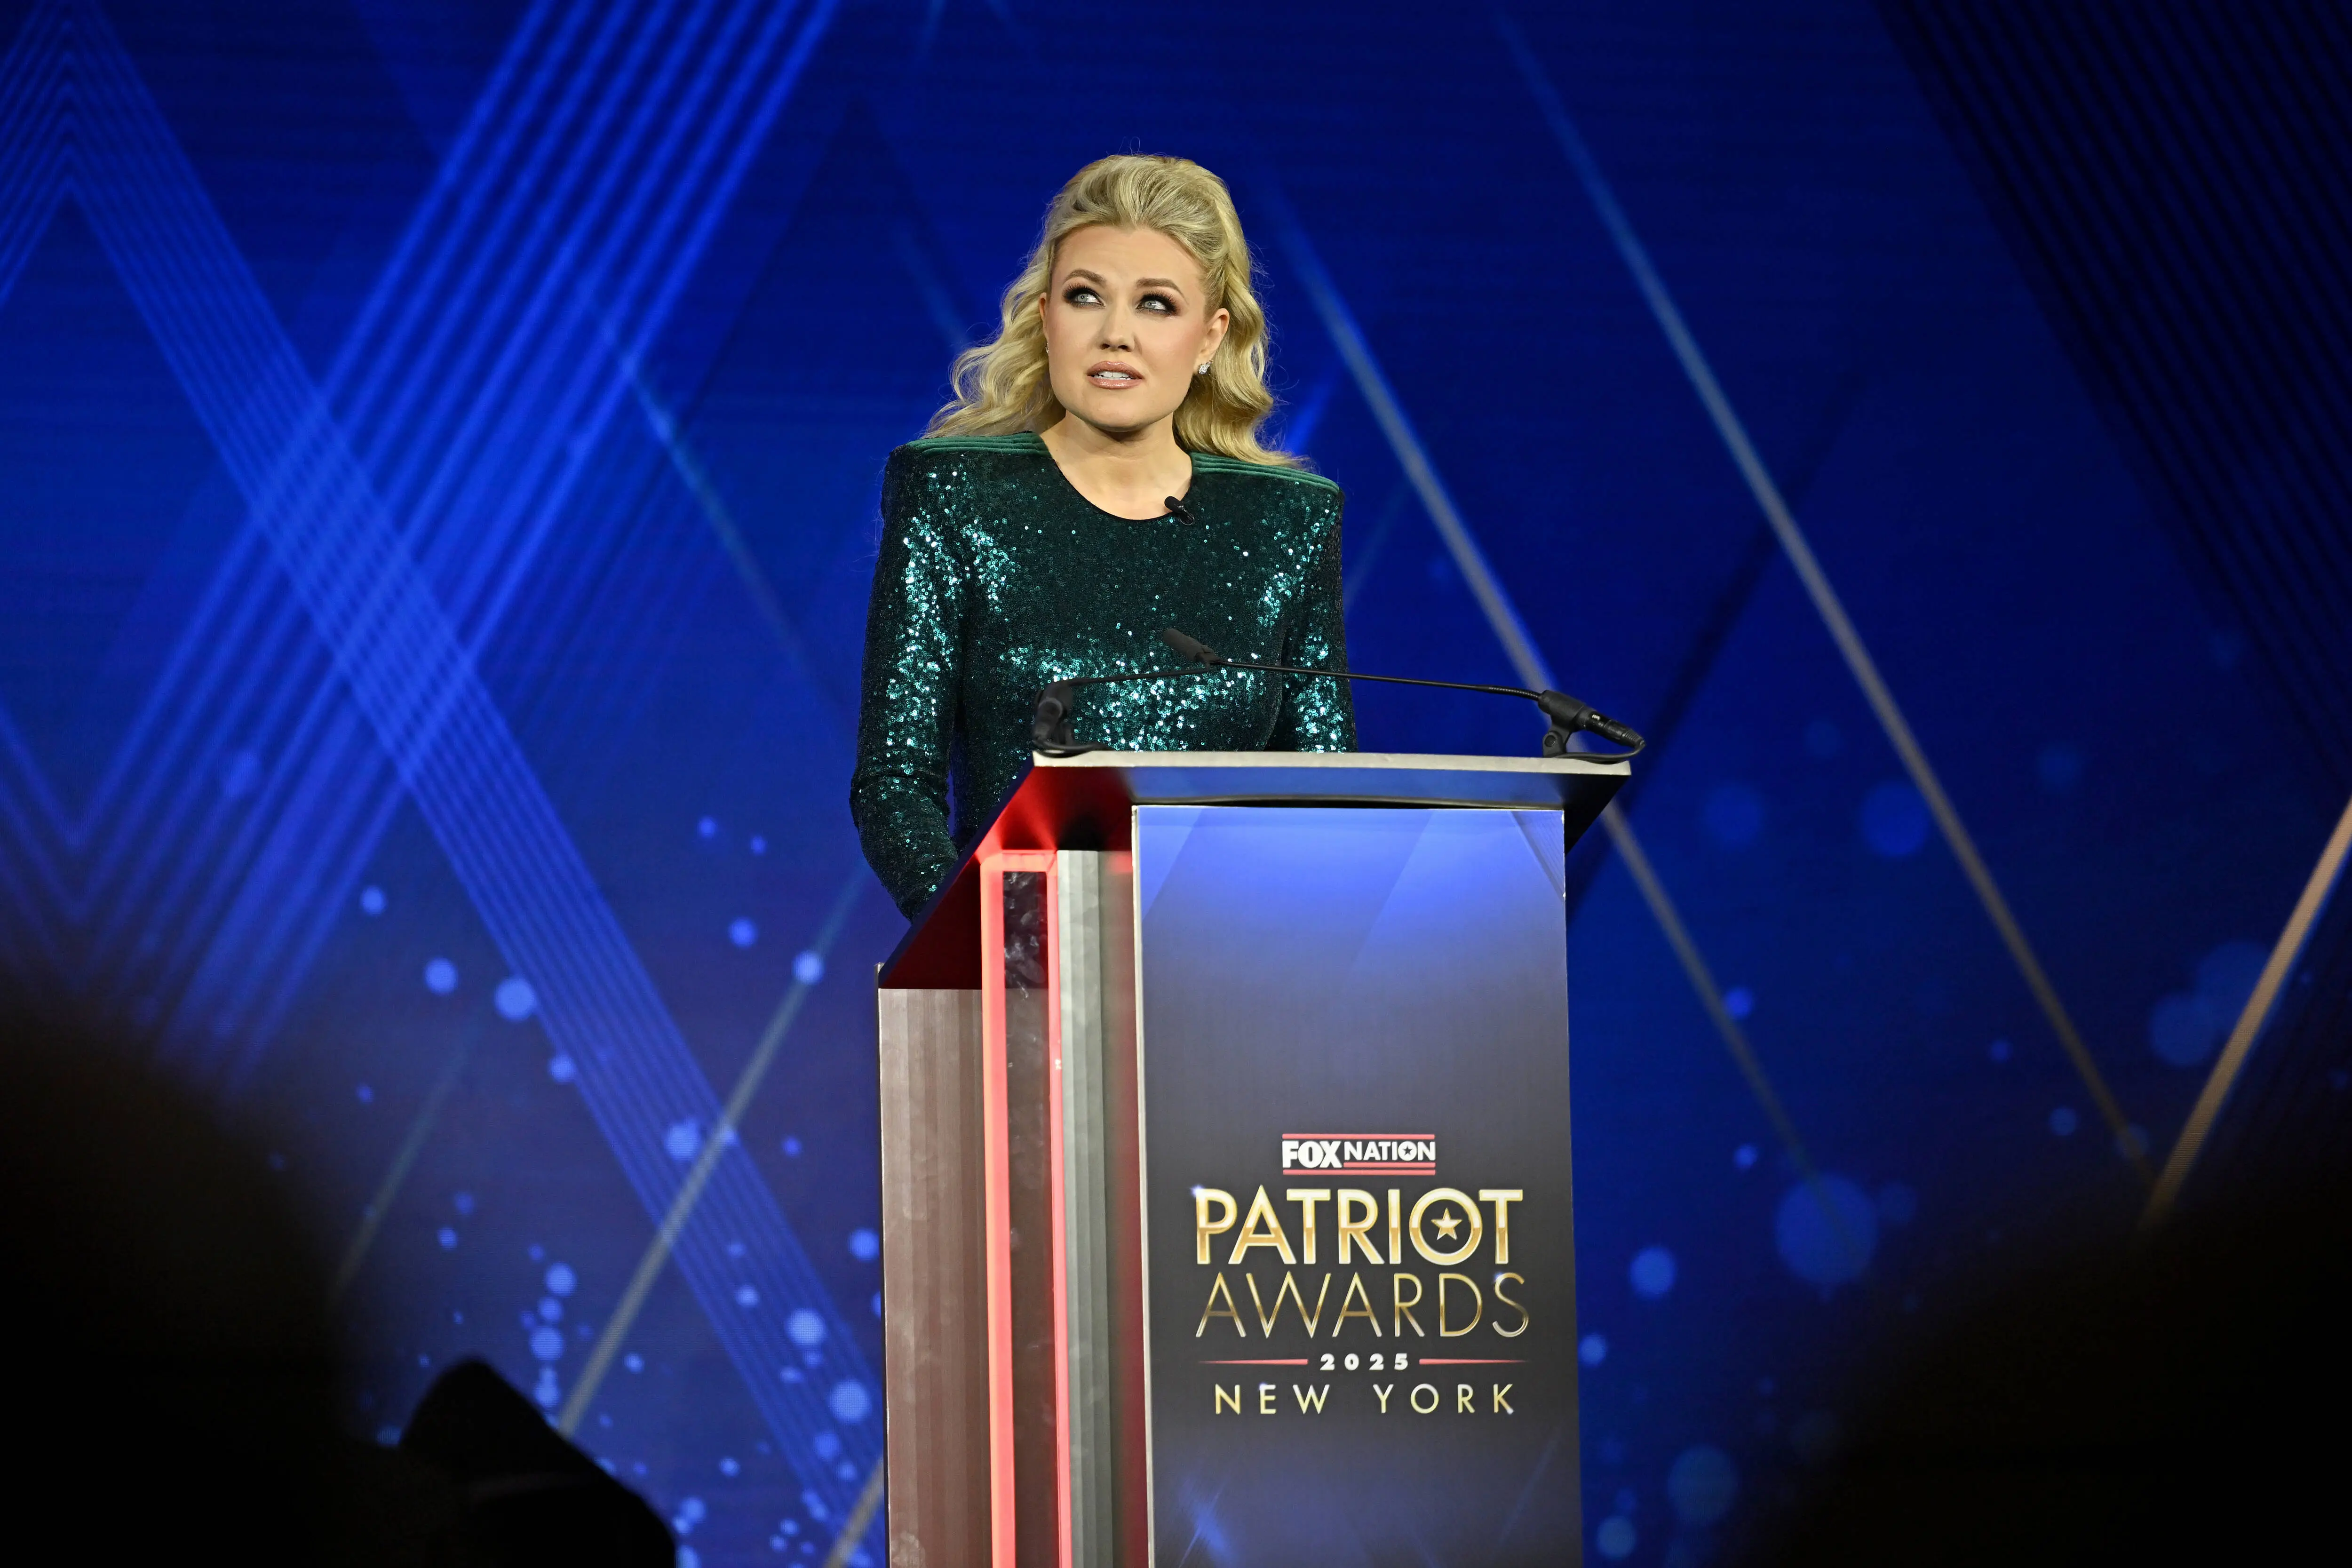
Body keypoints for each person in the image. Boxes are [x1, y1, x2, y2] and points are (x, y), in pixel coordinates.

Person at [850, 154, 1354, 918]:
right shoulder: (954, 494)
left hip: (1239, 972)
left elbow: (1325, 792)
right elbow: (895, 781)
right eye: (1087, 297)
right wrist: (990, 940)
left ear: (1211, 336)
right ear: (1046, 315)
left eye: (1156, 305)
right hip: (1014, 970)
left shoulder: (1286, 521)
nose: (1115, 334)